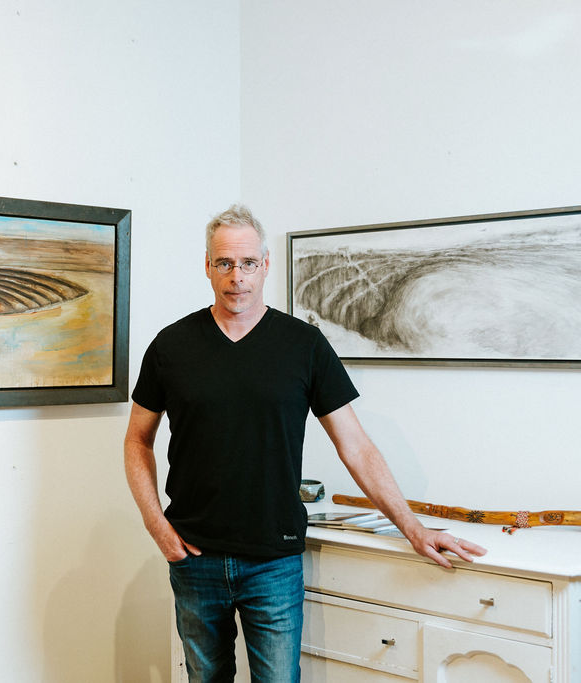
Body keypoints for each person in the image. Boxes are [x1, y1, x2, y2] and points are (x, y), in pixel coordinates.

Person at [123, 204, 486, 682]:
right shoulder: (171, 346)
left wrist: (413, 529)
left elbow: (356, 446)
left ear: (265, 265)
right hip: (194, 557)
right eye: (225, 263)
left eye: (248, 263)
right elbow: (137, 441)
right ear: (207, 266)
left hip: (274, 561)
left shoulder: (304, 344)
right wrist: (156, 524)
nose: (237, 277)